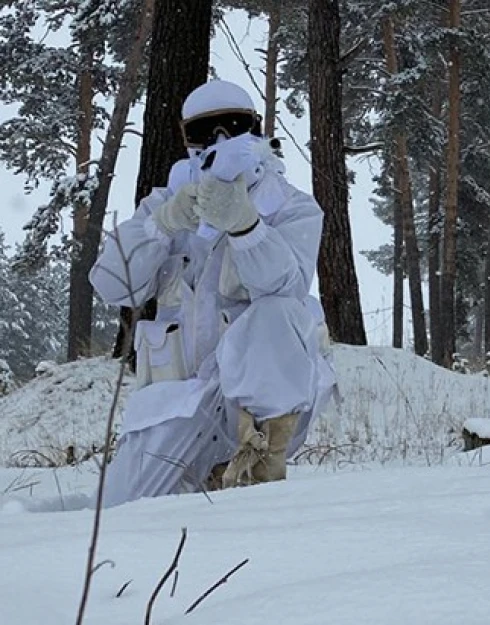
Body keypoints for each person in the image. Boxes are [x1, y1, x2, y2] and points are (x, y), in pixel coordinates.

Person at [90, 80, 337, 507]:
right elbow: (112, 285)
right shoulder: (166, 202)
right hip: (180, 400)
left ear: (256, 130)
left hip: (256, 400)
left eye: (234, 125)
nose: (220, 140)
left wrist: (246, 226)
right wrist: (161, 224)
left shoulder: (290, 207)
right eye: (204, 131)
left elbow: (287, 287)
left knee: (276, 312)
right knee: (118, 511)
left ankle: (257, 475)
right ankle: (201, 479)